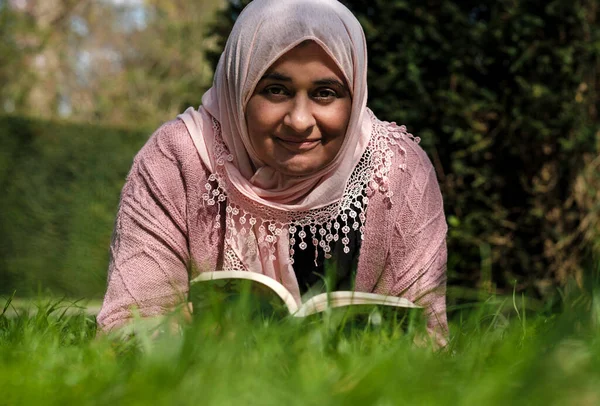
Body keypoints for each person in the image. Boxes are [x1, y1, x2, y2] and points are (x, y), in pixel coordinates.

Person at [97, 0, 448, 344]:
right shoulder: (176, 158)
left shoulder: (400, 170)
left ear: (355, 97)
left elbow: (428, 335)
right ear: (240, 88)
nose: (299, 121)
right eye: (275, 90)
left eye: (326, 93)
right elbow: (129, 325)